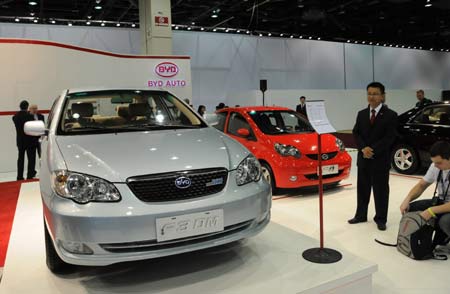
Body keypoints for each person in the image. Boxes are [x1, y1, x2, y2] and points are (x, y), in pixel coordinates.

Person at [348, 82, 398, 231]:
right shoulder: (361, 114)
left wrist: (373, 150)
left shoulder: (391, 115)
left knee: (381, 190)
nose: (372, 97)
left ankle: (381, 218)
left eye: (375, 94)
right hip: (363, 159)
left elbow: (390, 137)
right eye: (369, 93)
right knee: (362, 189)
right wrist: (363, 148)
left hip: (380, 160)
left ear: (382, 96)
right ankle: (361, 215)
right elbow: (356, 133)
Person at [400, 141, 450, 244]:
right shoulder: (435, 166)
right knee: (410, 209)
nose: (435, 166)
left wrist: (431, 211)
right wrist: (407, 199)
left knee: (445, 221)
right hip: (442, 201)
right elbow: (421, 185)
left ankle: (445, 234)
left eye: (439, 163)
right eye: (434, 162)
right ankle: (417, 243)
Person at [12, 100, 36, 180]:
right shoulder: (30, 116)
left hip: (20, 141)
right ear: (27, 107)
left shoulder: (15, 117)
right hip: (29, 140)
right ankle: (29, 175)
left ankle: (19, 176)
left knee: (20, 159)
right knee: (31, 159)